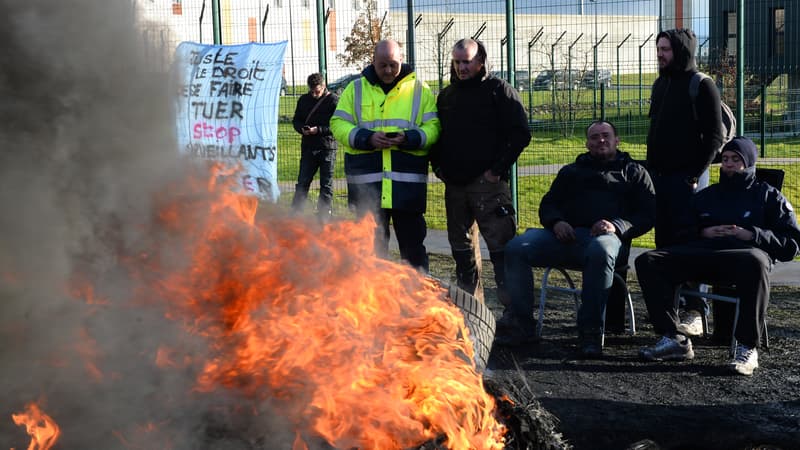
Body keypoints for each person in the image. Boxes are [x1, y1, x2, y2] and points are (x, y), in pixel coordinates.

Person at [636, 137, 800, 375]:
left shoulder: (768, 196)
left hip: (744, 258)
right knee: (648, 261)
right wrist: (703, 231)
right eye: (725, 159)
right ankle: (672, 338)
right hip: (704, 255)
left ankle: (747, 348)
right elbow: (680, 231)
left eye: (736, 160)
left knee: (756, 260)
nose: (729, 164)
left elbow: (791, 245)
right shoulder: (706, 196)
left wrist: (751, 234)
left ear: (749, 163)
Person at [499, 120, 656, 357]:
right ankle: (522, 325)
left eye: (605, 136)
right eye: (594, 137)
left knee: (600, 251)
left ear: (617, 141)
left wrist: (616, 225)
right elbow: (548, 203)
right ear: (587, 143)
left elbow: (647, 214)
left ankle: (591, 333)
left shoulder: (634, 172)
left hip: (608, 240)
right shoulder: (571, 172)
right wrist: (556, 222)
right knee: (516, 248)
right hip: (566, 237)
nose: (600, 140)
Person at [430, 38, 531, 305]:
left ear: (481, 61)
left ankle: (515, 317)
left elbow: (521, 133)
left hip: (490, 187)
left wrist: (497, 170)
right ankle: (472, 314)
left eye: (467, 61)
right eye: (457, 61)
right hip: (455, 187)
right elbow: (436, 136)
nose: (461, 67)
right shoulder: (447, 96)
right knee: (462, 253)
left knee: (502, 252)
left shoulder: (499, 91)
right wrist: (439, 168)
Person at [330, 40, 440, 271]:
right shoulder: (355, 89)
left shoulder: (420, 89)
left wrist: (409, 137)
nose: (388, 70)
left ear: (401, 60)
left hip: (406, 189)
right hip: (367, 190)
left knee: (413, 252)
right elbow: (338, 123)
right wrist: (366, 138)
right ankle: (372, 301)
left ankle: (417, 300)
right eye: (383, 65)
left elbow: (434, 127)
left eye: (393, 64)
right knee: (369, 253)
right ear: (373, 62)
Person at [646, 28, 725, 337]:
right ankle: (671, 310)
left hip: (688, 183)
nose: (660, 54)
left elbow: (714, 138)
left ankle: (696, 311)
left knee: (689, 245)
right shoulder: (661, 83)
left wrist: (694, 174)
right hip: (659, 181)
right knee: (664, 245)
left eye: (665, 49)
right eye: (658, 48)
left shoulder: (702, 86)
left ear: (680, 51)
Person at [291, 73, 339, 222]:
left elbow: (337, 125)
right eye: (311, 91)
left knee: (326, 183)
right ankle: (295, 213)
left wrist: (319, 129)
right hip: (308, 147)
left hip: (327, 147)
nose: (314, 94)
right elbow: (296, 120)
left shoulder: (333, 101)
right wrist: (301, 129)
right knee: (303, 181)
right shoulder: (304, 100)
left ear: (323, 86)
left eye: (317, 91)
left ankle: (324, 215)